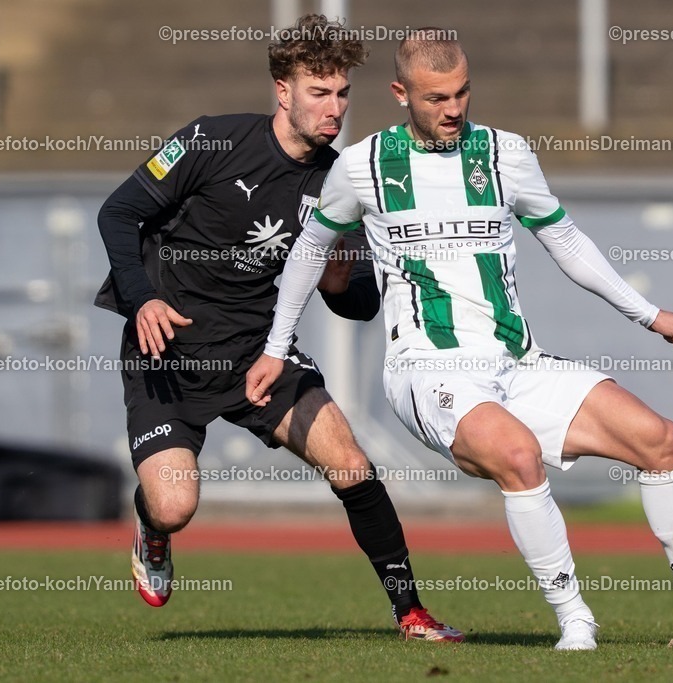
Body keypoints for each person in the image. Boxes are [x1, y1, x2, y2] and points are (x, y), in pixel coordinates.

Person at [246, 28, 673, 650]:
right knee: (518, 456)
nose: (453, 109)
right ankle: (575, 619)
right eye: (436, 98)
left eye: (462, 93)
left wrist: (646, 314)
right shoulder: (364, 166)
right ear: (401, 93)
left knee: (661, 440)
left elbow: (564, 239)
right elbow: (310, 250)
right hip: (428, 369)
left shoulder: (506, 154)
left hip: (517, 362)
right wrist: (275, 347)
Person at [94, 14, 463, 643]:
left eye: (343, 93)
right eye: (319, 93)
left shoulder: (344, 180)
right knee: (176, 505)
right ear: (283, 92)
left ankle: (411, 613)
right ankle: (151, 527)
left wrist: (343, 281)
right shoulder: (211, 141)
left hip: (259, 357)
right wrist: (143, 301)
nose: (335, 108)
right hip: (168, 355)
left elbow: (357, 306)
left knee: (350, 463)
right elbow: (119, 212)